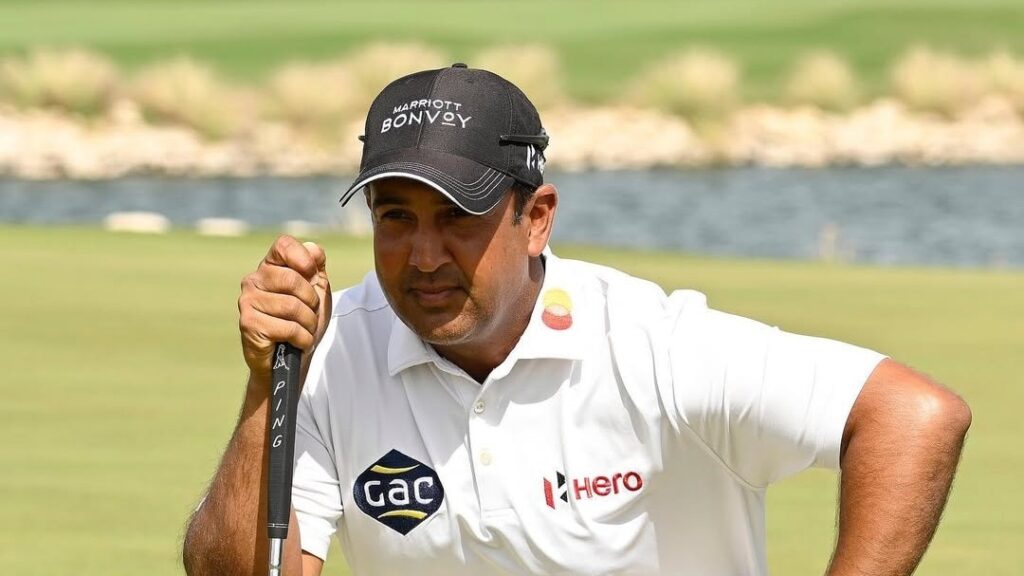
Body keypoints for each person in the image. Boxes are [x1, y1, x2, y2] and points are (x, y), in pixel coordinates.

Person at [182, 64, 971, 576]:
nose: (422, 256)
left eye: (457, 218)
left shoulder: (654, 347)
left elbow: (913, 416)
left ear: (537, 219)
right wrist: (266, 387)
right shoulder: (333, 351)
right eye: (396, 217)